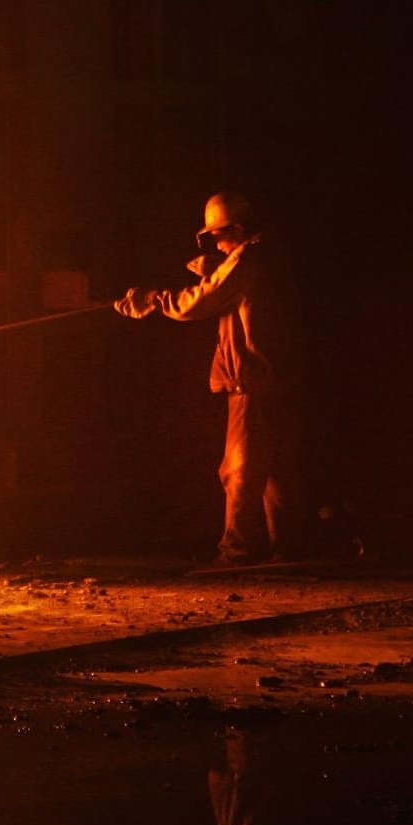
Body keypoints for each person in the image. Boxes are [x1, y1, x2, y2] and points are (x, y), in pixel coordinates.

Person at [112, 192, 302, 565]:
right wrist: (216, 267)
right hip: (275, 379)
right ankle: (290, 546)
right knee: (275, 469)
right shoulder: (267, 256)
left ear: (238, 230)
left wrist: (153, 299)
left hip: (251, 378)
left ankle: (238, 550)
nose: (215, 242)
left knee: (240, 469)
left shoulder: (248, 258)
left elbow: (202, 301)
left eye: (217, 235)